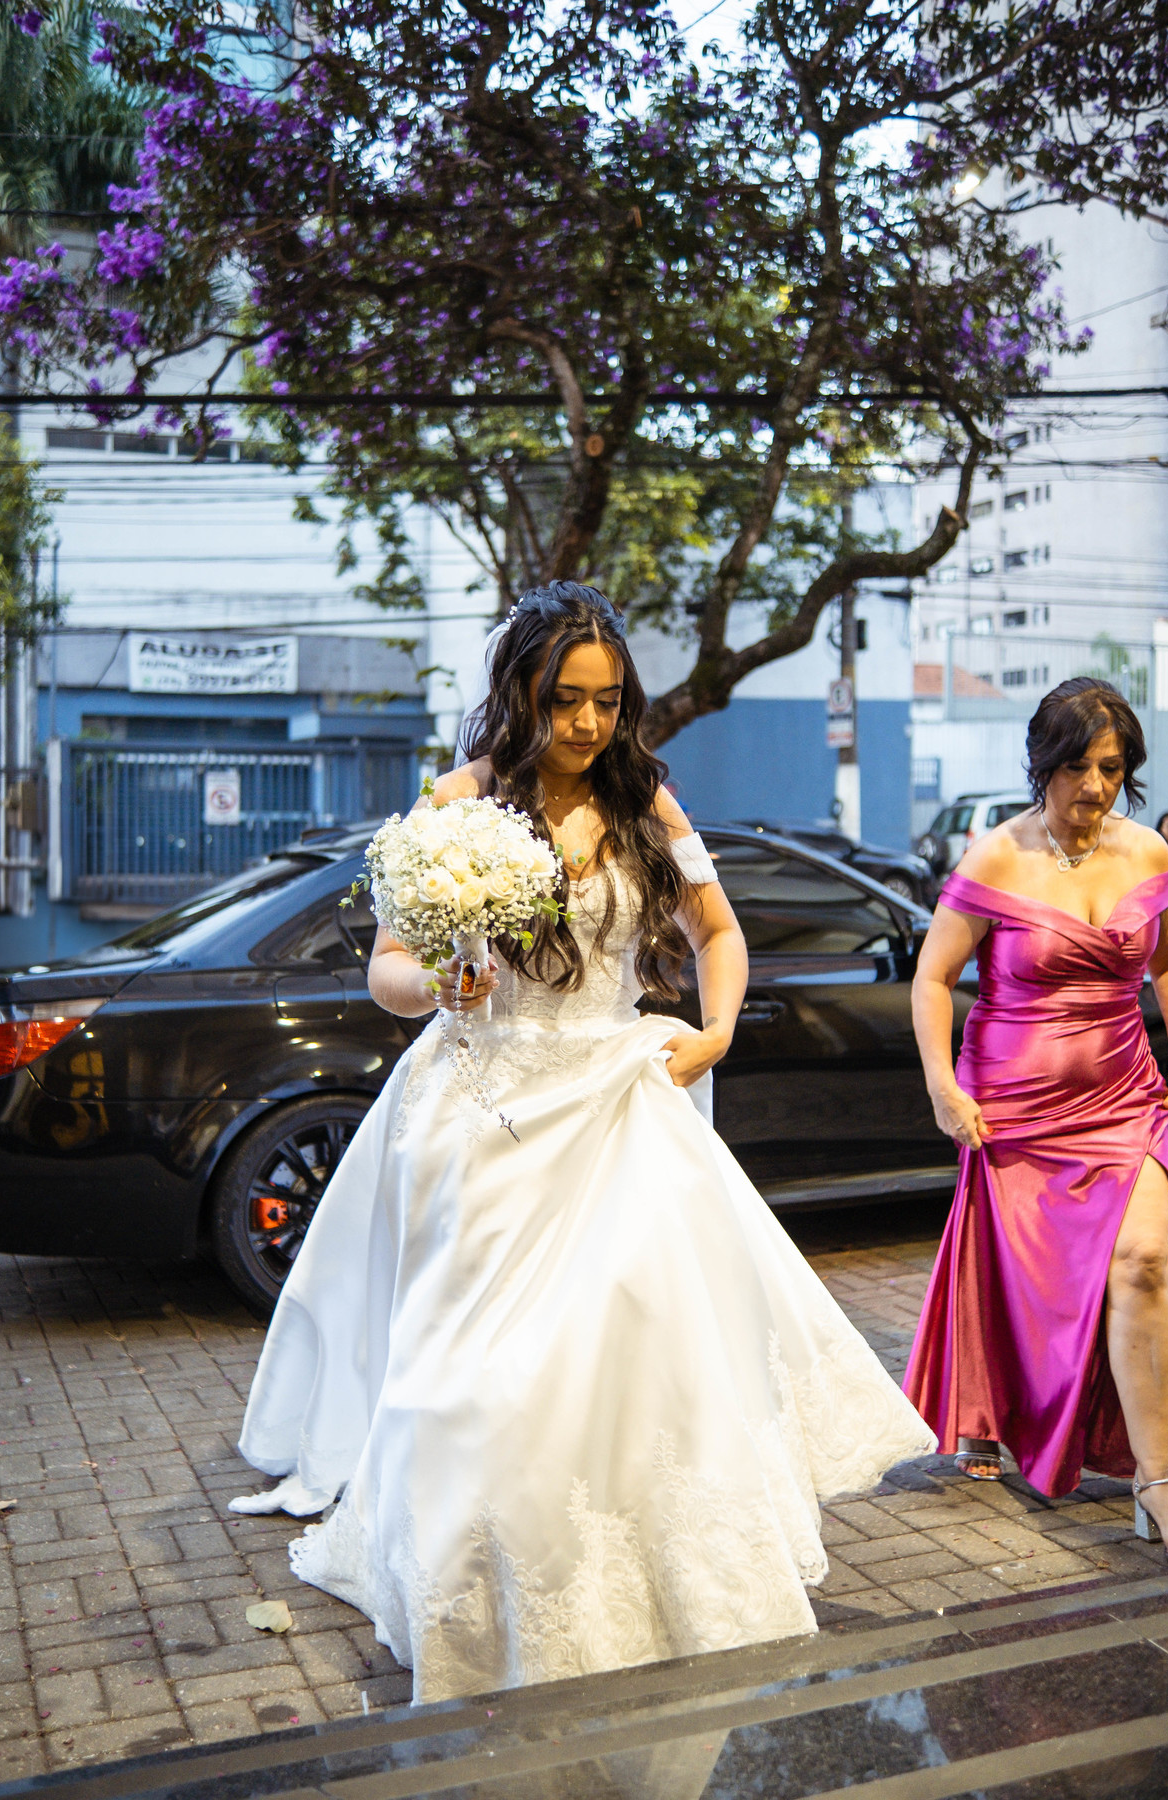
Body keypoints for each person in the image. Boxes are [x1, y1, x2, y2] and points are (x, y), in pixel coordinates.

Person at [230, 581, 934, 1704]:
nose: (588, 725)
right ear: (522, 692)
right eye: (566, 700)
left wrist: (710, 1034)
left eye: (608, 702)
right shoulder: (457, 802)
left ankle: (637, 1575)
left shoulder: (646, 798)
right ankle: (474, 1572)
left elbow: (718, 929)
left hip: (616, 1095)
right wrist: (444, 979)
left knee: (637, 1349)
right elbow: (387, 972)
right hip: (486, 1106)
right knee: (472, 1375)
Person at [905, 679, 1168, 1544]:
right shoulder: (995, 856)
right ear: (1041, 765)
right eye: (1075, 768)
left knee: (1140, 1262)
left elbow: (1166, 967)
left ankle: (1157, 1480)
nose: (1093, 787)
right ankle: (1002, 1415)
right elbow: (933, 977)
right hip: (1013, 1105)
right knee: (1027, 1280)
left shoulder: (1151, 858)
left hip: (1125, 1093)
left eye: (1111, 768)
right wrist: (944, 1088)